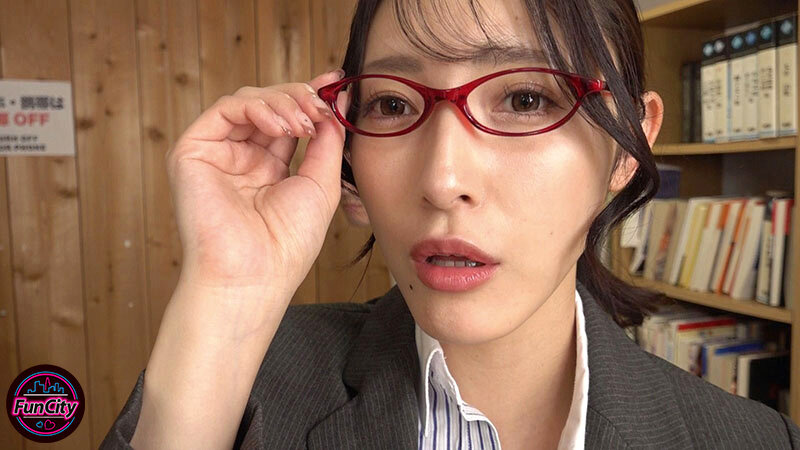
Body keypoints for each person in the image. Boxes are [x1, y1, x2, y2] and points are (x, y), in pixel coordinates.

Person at [100, 0, 800, 449]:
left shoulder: (753, 440)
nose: (441, 180)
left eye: (525, 99)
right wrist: (226, 295)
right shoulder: (236, 380)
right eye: (393, 106)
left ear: (628, 146)